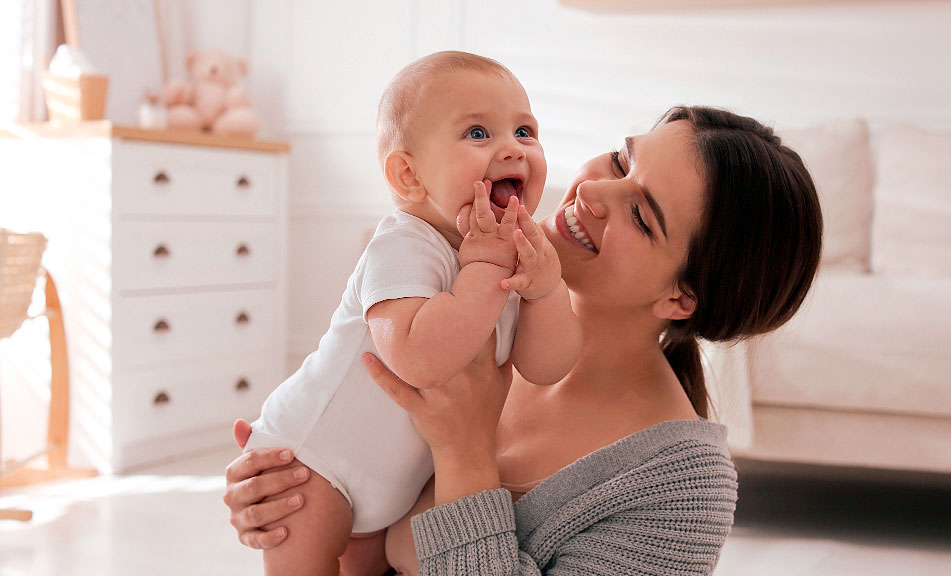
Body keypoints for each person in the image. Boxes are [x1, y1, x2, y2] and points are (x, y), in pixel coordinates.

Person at [225, 105, 824, 575]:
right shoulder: (468, 301)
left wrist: (464, 456)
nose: (592, 193)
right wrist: (289, 490)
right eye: (620, 160)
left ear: (680, 299)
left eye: (641, 216)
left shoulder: (681, 491)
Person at [240, 51, 582, 576]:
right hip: (312, 462)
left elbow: (547, 366)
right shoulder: (404, 245)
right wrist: (487, 269)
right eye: (477, 133)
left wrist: (545, 289)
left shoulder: (511, 251)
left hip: (394, 484)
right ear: (409, 176)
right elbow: (419, 359)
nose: (513, 148)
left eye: (524, 130)